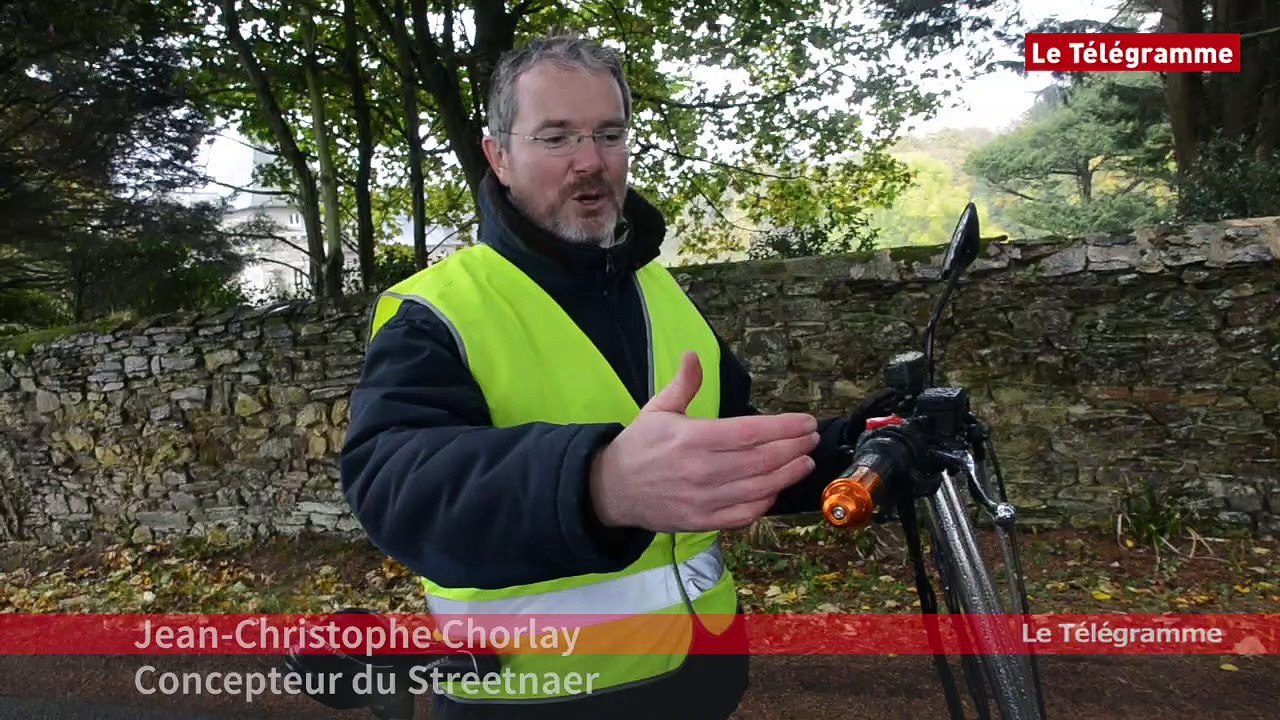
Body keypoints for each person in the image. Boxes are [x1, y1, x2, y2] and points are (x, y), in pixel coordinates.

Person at [339, 33, 902, 720]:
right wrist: (600, 482)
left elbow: (732, 456)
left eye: (608, 133)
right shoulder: (437, 310)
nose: (589, 161)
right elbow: (398, 488)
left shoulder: (660, 291)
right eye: (555, 137)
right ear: (500, 157)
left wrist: (869, 445)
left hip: (700, 682)